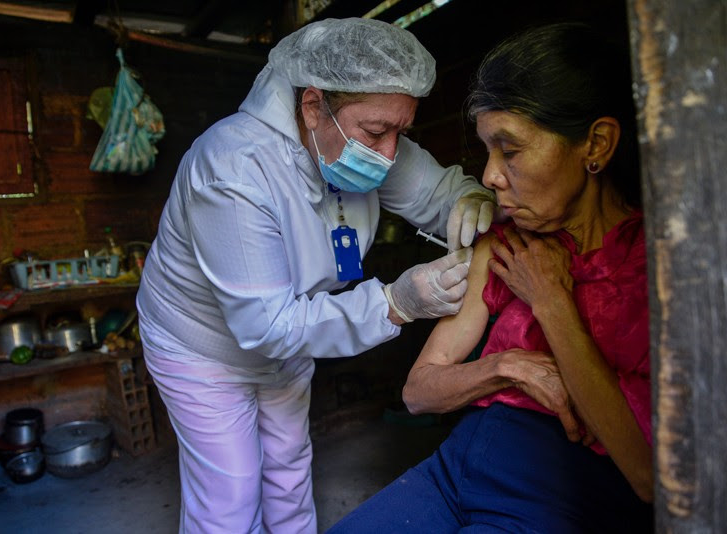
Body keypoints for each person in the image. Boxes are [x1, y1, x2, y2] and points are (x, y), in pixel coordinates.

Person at [136, 17, 496, 533]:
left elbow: (435, 193)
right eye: (376, 131)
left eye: (402, 131)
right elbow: (265, 326)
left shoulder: (359, 139)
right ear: (312, 105)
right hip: (202, 346)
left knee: (288, 470)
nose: (391, 151)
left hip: (292, 333)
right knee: (231, 494)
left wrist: (470, 199)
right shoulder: (233, 169)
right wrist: (396, 303)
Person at [327, 22, 653, 533]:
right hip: (453, 471)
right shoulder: (508, 243)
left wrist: (551, 301)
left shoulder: (660, 271)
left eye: (511, 150)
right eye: (487, 150)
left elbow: (649, 475)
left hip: (557, 500)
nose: (489, 176)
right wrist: (509, 368)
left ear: (596, 144)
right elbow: (418, 391)